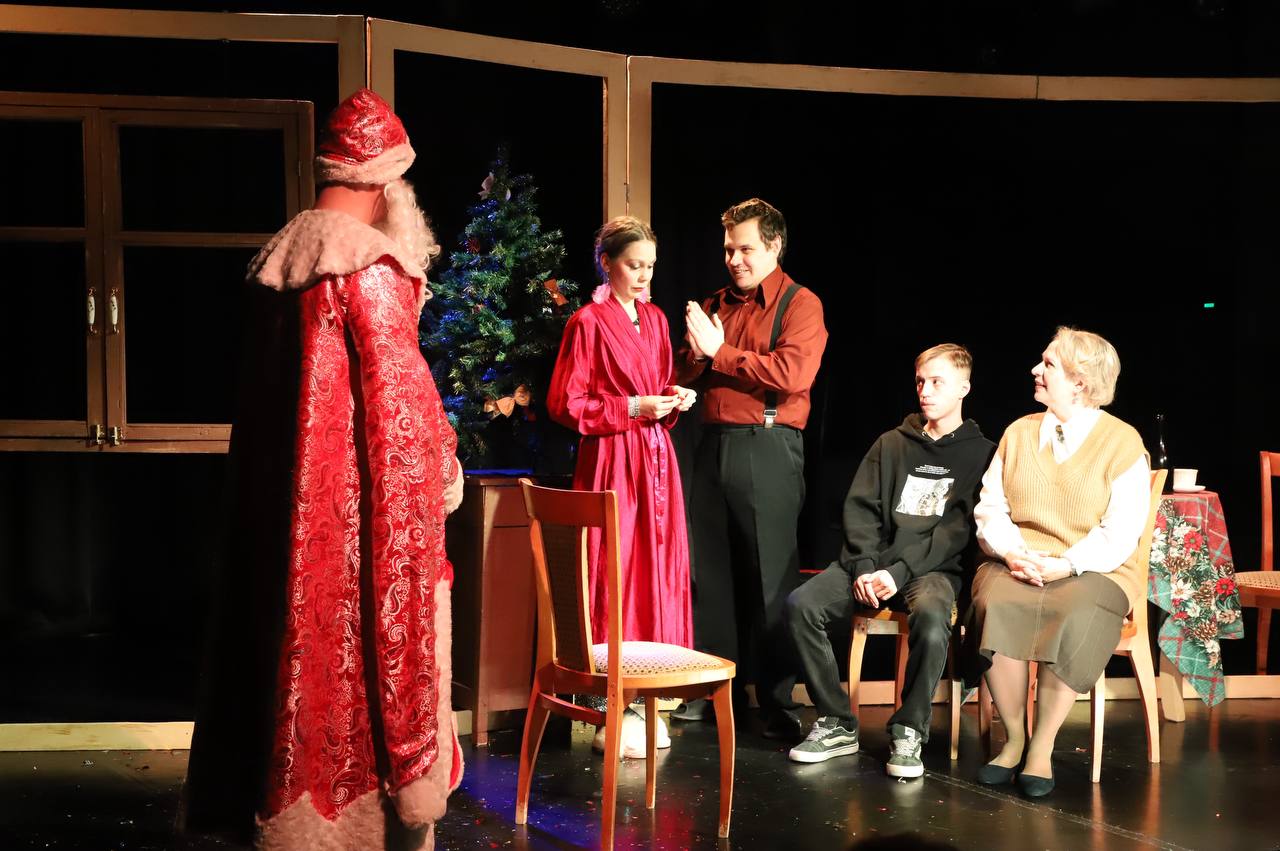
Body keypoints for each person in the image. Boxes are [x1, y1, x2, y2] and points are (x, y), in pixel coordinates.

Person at [184, 89, 465, 850]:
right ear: (384, 182)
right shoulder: (369, 271)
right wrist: (442, 471)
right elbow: (403, 424)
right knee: (350, 684)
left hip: (286, 533)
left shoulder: (279, 271)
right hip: (349, 546)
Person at [784, 344, 994, 776]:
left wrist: (898, 573)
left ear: (964, 388)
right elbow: (860, 511)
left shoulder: (982, 453)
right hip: (872, 564)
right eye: (920, 381)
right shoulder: (892, 443)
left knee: (933, 619)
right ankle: (837, 722)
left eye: (937, 382)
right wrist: (865, 568)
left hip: (929, 571)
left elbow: (955, 532)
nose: (925, 391)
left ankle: (909, 729)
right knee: (802, 605)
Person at [962, 326, 1150, 798]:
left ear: (1080, 381)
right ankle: (1014, 738)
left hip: (1096, 568)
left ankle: (1042, 745)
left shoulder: (1122, 443)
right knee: (995, 601)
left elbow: (1121, 530)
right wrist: (1013, 553)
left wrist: (1068, 564)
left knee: (1077, 610)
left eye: (1047, 364)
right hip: (1018, 559)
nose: (1035, 370)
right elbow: (991, 508)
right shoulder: (1019, 432)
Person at [672, 198, 827, 738]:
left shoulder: (800, 304)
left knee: (769, 577)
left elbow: (791, 373)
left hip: (768, 444)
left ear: (774, 246)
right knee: (710, 575)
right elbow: (684, 370)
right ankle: (711, 688)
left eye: (745, 249)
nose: (734, 260)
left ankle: (776, 699)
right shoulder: (715, 304)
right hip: (712, 443)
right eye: (728, 250)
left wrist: (719, 352)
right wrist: (696, 355)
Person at [546, 216, 697, 758]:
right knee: (616, 566)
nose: (643, 275)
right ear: (607, 264)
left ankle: (649, 697)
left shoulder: (655, 320)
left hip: (655, 462)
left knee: (655, 567)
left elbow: (656, 388)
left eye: (650, 266)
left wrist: (673, 398)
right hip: (611, 460)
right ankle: (610, 705)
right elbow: (566, 403)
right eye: (634, 265)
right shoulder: (587, 322)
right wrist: (632, 407)